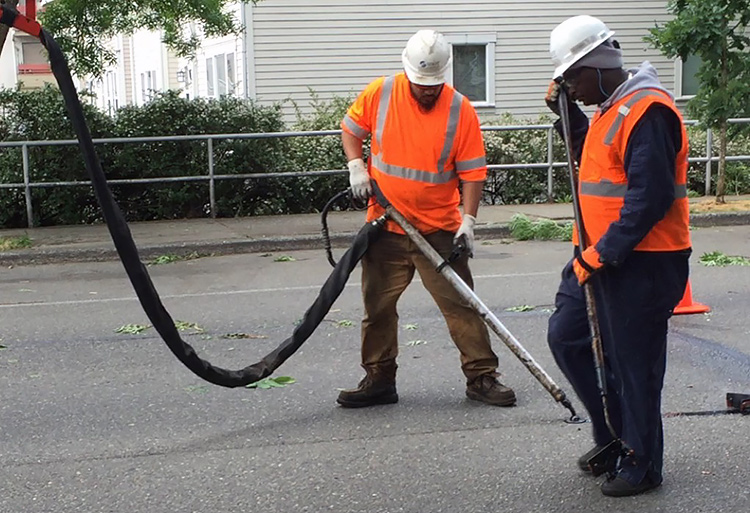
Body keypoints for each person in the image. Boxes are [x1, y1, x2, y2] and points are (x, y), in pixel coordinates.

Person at [544, 15, 691, 497]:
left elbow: (647, 199)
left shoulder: (647, 111)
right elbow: (599, 166)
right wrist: (571, 119)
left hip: (642, 262)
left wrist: (602, 255)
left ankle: (643, 463)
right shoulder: (610, 108)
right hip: (598, 254)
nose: (570, 85)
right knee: (567, 338)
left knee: (634, 367)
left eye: (573, 77)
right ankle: (613, 435)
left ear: (601, 64)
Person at [337, 29, 516, 409]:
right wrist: (356, 165)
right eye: (421, 84)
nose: (427, 91)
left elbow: (472, 172)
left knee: (461, 305)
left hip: (439, 231)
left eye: (433, 84)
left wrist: (468, 221)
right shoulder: (380, 93)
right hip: (386, 225)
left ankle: (481, 377)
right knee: (377, 308)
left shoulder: (459, 109)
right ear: (407, 72)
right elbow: (351, 129)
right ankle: (379, 378)